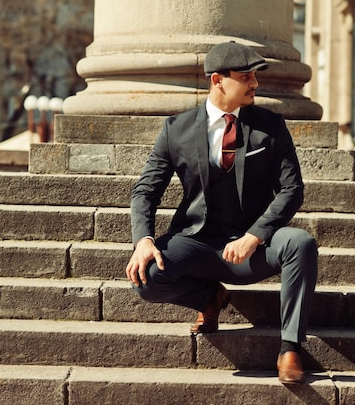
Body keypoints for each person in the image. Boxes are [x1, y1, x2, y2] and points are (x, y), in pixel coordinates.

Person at [125, 41, 318, 385]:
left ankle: (290, 347)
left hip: (254, 247)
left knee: (300, 243)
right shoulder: (176, 130)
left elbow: (292, 190)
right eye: (246, 77)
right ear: (218, 80)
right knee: (147, 275)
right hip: (197, 243)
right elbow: (145, 191)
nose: (255, 84)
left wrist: (254, 235)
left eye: (255, 76)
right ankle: (209, 296)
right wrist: (143, 239)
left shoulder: (270, 127)